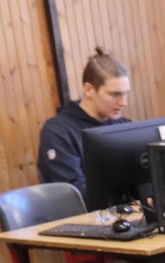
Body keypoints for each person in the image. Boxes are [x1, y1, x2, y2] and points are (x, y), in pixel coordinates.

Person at [37, 48, 132, 203]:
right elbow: (72, 193)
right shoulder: (58, 132)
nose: (123, 102)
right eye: (115, 94)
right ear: (89, 90)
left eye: (125, 93)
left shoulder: (125, 126)